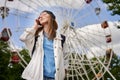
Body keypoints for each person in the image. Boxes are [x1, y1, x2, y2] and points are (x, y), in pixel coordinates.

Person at [20, 10, 65, 80]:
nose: (40, 16)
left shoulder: (62, 38)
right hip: (36, 76)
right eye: (39, 16)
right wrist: (35, 26)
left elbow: (65, 57)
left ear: (52, 18)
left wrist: (64, 71)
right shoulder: (35, 36)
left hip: (55, 77)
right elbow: (23, 38)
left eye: (44, 14)